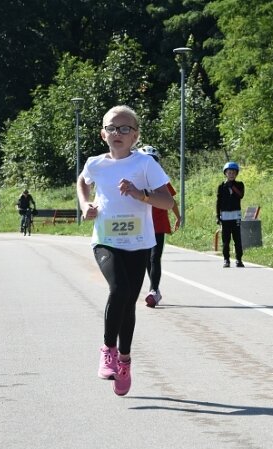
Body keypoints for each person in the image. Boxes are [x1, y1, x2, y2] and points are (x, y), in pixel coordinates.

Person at [77, 105, 174, 396]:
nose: (117, 133)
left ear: (135, 135)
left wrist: (139, 193)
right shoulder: (96, 163)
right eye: (112, 128)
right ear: (102, 133)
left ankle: (125, 360)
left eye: (125, 129)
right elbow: (83, 181)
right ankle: (108, 349)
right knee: (118, 290)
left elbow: (167, 202)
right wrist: (86, 205)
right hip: (106, 240)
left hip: (140, 243)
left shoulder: (145, 164)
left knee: (128, 302)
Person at [139, 145, 180, 308]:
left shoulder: (161, 179)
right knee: (146, 260)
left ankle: (154, 290)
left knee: (154, 257)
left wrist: (178, 217)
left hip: (159, 224)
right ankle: (153, 289)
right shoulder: (136, 179)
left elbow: (172, 200)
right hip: (141, 224)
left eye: (153, 160)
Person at [216, 161, 245, 268]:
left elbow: (240, 195)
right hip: (225, 217)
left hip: (236, 216)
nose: (231, 174)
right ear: (225, 173)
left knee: (237, 239)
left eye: (233, 172)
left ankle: (238, 259)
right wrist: (217, 215)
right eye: (229, 172)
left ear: (236, 174)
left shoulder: (239, 185)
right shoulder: (221, 186)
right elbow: (218, 202)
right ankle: (226, 259)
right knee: (226, 240)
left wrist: (232, 186)